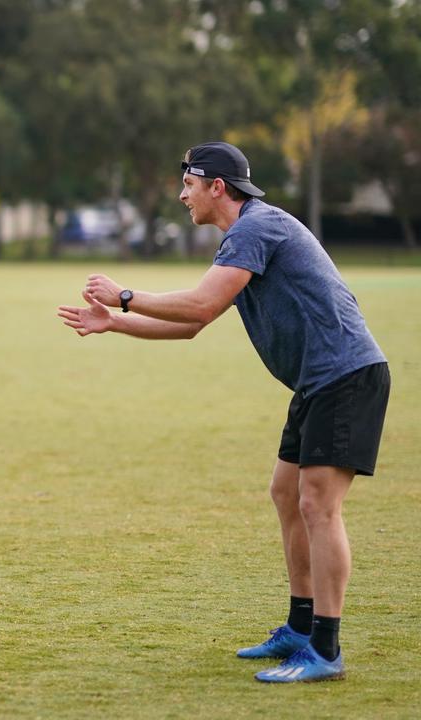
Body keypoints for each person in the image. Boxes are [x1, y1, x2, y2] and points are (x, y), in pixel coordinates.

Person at [57, 141, 389, 683]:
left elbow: (200, 304)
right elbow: (192, 325)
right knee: (287, 493)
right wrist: (115, 323)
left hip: (345, 376)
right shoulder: (242, 239)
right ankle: (301, 628)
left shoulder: (256, 228)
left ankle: (325, 649)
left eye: (189, 183)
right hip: (318, 382)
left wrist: (125, 296)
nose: (182, 194)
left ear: (217, 186)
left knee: (318, 505)